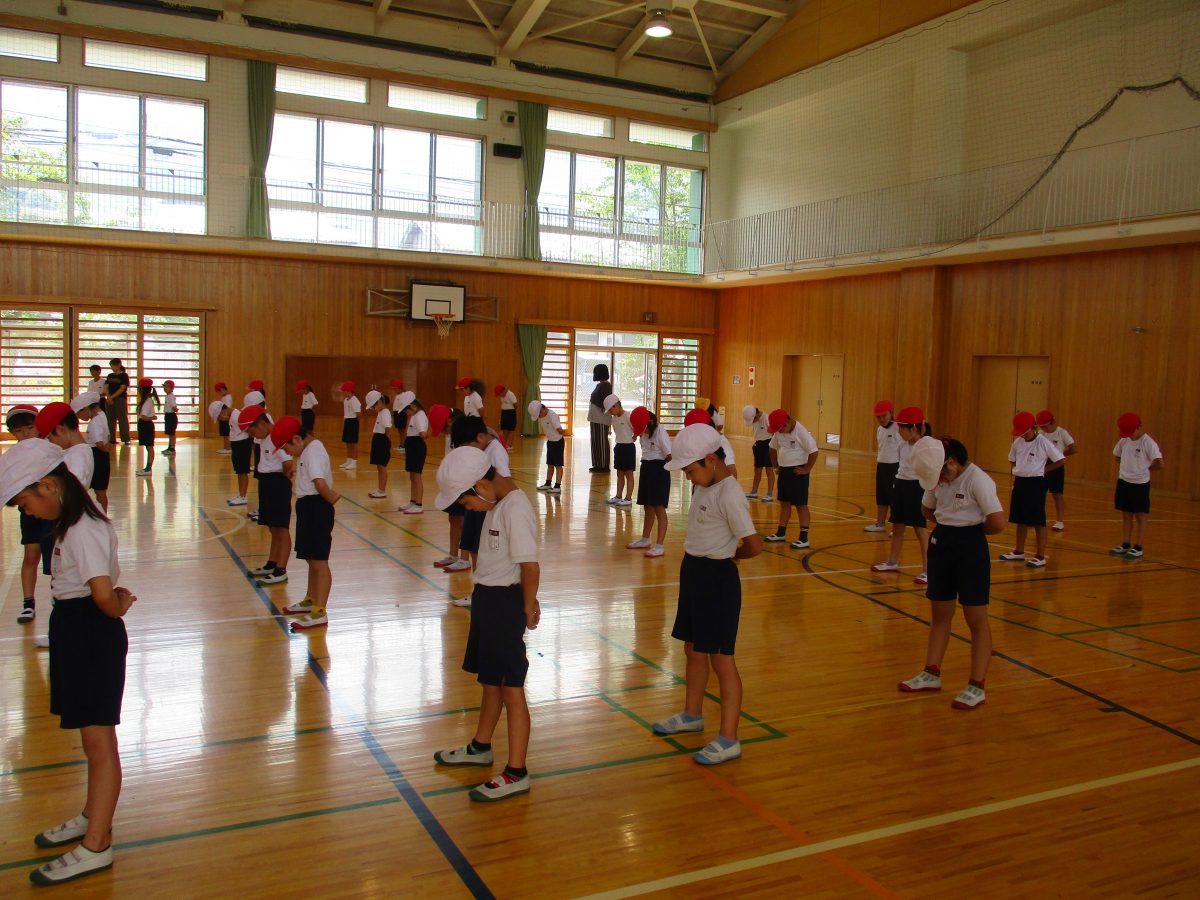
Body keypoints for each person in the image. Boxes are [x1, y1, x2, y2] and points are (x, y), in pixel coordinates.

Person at [2, 440, 136, 885]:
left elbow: (103, 596)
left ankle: (97, 845)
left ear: (48, 485)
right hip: (75, 628)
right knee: (91, 740)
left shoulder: (83, 528)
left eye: (25, 503)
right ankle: (93, 817)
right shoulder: (69, 522)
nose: (27, 512)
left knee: (100, 745)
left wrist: (119, 604)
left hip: (91, 633)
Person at [432, 446, 540, 802]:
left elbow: (530, 566)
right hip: (488, 600)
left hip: (504, 606)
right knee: (491, 682)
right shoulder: (499, 504)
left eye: (466, 501)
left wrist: (527, 606)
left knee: (511, 688)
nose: (467, 507)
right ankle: (481, 747)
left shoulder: (516, 509)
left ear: (481, 485)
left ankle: (517, 772)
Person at [651, 423, 762, 764]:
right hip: (694, 572)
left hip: (717, 580)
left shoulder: (729, 493)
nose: (688, 478)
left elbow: (754, 545)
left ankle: (729, 738)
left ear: (711, 460)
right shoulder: (705, 484)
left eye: (690, 471)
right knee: (693, 648)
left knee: (721, 660)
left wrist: (730, 556)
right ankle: (692, 714)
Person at [898, 437, 1005, 711]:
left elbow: (997, 522)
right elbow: (927, 508)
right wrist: (949, 527)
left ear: (953, 462)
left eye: (942, 474)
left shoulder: (977, 480)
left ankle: (976, 685)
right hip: (942, 543)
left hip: (971, 549)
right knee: (940, 614)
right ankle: (931, 673)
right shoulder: (938, 477)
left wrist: (967, 532)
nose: (940, 481)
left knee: (975, 618)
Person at [272, 416, 340, 630]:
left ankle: (320, 612)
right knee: (311, 558)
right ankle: (311, 600)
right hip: (308, 506)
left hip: (316, 507)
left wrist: (330, 498)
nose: (289, 454)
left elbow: (319, 483)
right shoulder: (307, 451)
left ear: (296, 439)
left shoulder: (314, 451)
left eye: (287, 448)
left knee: (319, 561)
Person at [871, 406, 931, 582]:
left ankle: (928, 569)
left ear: (913, 428)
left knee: (920, 529)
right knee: (897, 526)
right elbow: (902, 465)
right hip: (901, 484)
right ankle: (892, 561)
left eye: (902, 428)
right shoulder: (903, 444)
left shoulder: (926, 446)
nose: (898, 431)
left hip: (917, 487)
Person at [998, 411, 1064, 568]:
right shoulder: (1017, 443)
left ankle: (1040, 556)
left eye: (1024, 432)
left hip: (1036, 483)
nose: (1022, 435)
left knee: (1038, 520)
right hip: (1020, 482)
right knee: (1020, 519)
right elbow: (1012, 459)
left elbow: (1060, 460)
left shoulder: (1043, 442)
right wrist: (1022, 468)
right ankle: (1019, 551)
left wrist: (1044, 469)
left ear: (1032, 428)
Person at [242, 405, 293, 585]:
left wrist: (282, 479)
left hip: (277, 483)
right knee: (273, 527)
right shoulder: (264, 438)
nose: (252, 435)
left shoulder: (276, 437)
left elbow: (288, 463)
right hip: (267, 483)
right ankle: (272, 563)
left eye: (252, 431)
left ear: (262, 424)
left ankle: (281, 569)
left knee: (281, 528)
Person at [8, 404, 48, 626]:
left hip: (51, 512)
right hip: (29, 512)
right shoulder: (13, 456)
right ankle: (28, 603)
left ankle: (58, 599)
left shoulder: (49, 449)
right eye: (18, 431)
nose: (24, 434)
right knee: (31, 555)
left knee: (56, 559)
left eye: (29, 428)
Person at [1109, 412, 1163, 560]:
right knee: (1126, 514)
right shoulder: (1124, 440)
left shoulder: (1148, 443)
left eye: (1131, 431)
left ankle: (1138, 547)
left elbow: (1160, 463)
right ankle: (1125, 543)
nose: (1129, 435)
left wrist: (1145, 469)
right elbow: (1117, 455)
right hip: (1123, 481)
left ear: (1139, 426)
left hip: (1140, 485)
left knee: (1140, 515)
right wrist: (1127, 467)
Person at [763, 408, 818, 550]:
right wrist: (775, 466)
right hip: (784, 471)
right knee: (784, 504)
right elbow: (772, 448)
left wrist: (806, 469)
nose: (779, 432)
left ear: (787, 422)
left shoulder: (801, 432)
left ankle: (804, 538)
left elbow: (814, 451)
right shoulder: (779, 432)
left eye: (780, 428)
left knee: (801, 505)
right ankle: (781, 533)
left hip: (798, 473)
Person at [626, 406, 671, 558]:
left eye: (643, 428)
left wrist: (663, 472)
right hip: (646, 467)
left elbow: (669, 455)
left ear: (650, 422)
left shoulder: (660, 432)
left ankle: (660, 545)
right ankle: (645, 539)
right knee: (647, 506)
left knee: (659, 508)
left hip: (659, 470)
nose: (642, 432)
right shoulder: (643, 434)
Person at [36, 402, 95, 490]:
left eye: (49, 438)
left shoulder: (77, 456)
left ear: (60, 430)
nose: (50, 443)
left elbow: (72, 489)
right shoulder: (75, 451)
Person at [1036, 410, 1075, 532]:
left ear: (1052, 422)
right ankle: (1038, 519)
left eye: (1045, 426)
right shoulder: (1040, 434)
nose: (1043, 429)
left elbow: (1073, 449)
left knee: (1057, 495)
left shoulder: (1062, 433)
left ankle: (1059, 522)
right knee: (1039, 495)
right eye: (1041, 427)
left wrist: (1060, 455)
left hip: (1057, 467)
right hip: (1042, 465)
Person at [866, 399, 901, 532]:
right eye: (878, 417)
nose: (881, 419)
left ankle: (897, 527)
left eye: (884, 415)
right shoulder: (879, 429)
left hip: (895, 467)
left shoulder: (898, 428)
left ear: (891, 413)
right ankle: (880, 523)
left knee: (894, 498)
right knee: (881, 496)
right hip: (882, 466)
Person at [76, 392, 112, 513]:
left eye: (79, 414)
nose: (79, 417)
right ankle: (103, 514)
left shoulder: (94, 422)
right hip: (102, 456)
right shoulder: (102, 414)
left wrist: (106, 449)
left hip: (96, 456)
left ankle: (100, 515)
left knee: (98, 491)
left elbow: (99, 443)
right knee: (101, 491)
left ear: (86, 408)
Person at [395, 391, 428, 514]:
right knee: (412, 476)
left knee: (416, 477)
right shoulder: (414, 415)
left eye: (406, 410)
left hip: (417, 446)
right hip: (412, 445)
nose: (405, 413)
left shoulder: (420, 415)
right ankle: (413, 502)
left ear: (413, 406)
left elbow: (423, 434)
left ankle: (418, 504)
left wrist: (427, 433)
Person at [529, 400, 565, 494]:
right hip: (550, 442)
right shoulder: (543, 416)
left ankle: (557, 486)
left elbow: (559, 429)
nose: (539, 417)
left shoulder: (552, 415)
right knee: (550, 464)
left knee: (558, 465)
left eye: (539, 415)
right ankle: (548, 483)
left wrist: (562, 431)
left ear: (542, 409)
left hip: (558, 442)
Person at [606, 395, 635, 507]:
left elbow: (635, 429)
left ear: (616, 405)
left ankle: (628, 498)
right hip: (619, 447)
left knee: (629, 474)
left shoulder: (628, 416)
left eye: (610, 410)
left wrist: (634, 438)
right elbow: (617, 432)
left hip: (628, 448)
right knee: (620, 474)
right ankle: (618, 496)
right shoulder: (613, 419)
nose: (610, 412)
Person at [742, 406, 775, 502]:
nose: (753, 422)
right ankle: (754, 491)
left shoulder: (766, 418)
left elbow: (773, 433)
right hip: (758, 445)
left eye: (753, 419)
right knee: (757, 470)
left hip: (768, 445)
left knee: (769, 470)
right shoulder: (754, 419)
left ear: (756, 415)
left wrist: (772, 447)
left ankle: (769, 494)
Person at [364, 389, 392, 499]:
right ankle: (380, 489)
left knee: (382, 466)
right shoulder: (381, 412)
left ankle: (382, 490)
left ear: (380, 402)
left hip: (382, 440)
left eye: (373, 407)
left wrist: (387, 439)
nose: (372, 409)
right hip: (378, 438)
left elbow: (388, 428)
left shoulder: (385, 412)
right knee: (379, 467)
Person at [588, 363, 612, 473]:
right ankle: (597, 464)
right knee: (595, 442)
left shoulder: (606, 385)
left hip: (601, 418)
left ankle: (604, 466)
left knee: (601, 442)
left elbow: (607, 401)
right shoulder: (600, 385)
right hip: (595, 418)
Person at [227, 402, 252, 507]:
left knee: (243, 471)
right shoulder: (232, 415)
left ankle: (243, 496)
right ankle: (240, 494)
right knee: (239, 471)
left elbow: (249, 428)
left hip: (242, 443)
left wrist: (248, 443)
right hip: (237, 443)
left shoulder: (236, 415)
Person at [134, 378, 158, 476]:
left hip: (146, 425)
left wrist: (152, 417)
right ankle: (147, 468)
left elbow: (144, 416)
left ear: (142, 390)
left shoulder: (148, 401)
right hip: (144, 425)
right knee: (148, 447)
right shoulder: (146, 401)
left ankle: (148, 468)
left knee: (149, 447)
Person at [104, 358, 130, 446]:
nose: (112, 368)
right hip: (109, 399)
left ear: (119, 365)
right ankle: (111, 438)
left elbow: (122, 388)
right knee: (110, 419)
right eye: (111, 366)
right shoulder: (110, 375)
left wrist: (112, 397)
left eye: (113, 365)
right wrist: (108, 397)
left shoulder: (124, 375)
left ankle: (126, 438)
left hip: (120, 398)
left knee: (122, 418)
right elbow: (106, 387)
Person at [339, 380, 361, 471]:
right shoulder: (345, 400)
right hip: (348, 421)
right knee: (348, 442)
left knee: (353, 442)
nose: (343, 393)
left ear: (349, 391)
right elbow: (346, 414)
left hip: (353, 421)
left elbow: (358, 414)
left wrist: (356, 424)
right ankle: (349, 460)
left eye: (344, 391)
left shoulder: (354, 400)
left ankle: (354, 462)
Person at [494, 383, 518, 449]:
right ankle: (504, 445)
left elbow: (516, 405)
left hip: (511, 413)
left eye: (500, 394)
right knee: (504, 429)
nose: (499, 396)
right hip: (504, 413)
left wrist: (511, 412)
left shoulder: (510, 394)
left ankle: (510, 445)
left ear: (503, 391)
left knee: (511, 429)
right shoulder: (501, 396)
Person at [214, 382, 233, 455]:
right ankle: (225, 447)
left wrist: (223, 416)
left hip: (225, 418)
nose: (218, 394)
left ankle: (228, 448)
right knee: (224, 434)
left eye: (218, 392)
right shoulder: (224, 397)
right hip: (223, 417)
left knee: (226, 434)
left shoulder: (228, 397)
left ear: (222, 389)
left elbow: (227, 408)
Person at [161, 380, 178, 456]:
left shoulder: (171, 396)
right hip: (168, 415)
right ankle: (170, 447)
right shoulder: (168, 396)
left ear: (171, 388)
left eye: (167, 387)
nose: (165, 388)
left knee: (172, 433)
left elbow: (174, 406)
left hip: (171, 416)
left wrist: (175, 409)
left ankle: (172, 448)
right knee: (170, 433)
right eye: (164, 386)